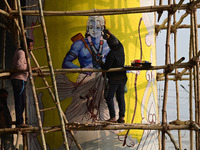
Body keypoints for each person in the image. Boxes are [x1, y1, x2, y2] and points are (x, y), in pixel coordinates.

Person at [99, 30, 127, 123]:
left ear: (110, 45)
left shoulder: (111, 54)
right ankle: (122, 117)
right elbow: (117, 40)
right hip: (122, 78)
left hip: (114, 79)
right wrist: (110, 33)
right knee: (120, 97)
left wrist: (100, 63)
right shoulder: (121, 47)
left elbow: (106, 68)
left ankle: (113, 117)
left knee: (109, 97)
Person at [11, 38, 33, 128]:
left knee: (21, 101)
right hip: (19, 79)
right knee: (20, 101)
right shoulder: (22, 53)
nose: (31, 47)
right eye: (30, 45)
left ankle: (20, 121)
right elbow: (19, 67)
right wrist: (29, 68)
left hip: (20, 79)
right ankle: (20, 122)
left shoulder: (20, 52)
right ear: (26, 45)